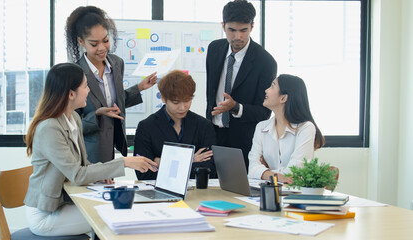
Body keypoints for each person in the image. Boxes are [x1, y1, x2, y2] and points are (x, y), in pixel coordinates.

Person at [24, 63, 157, 237]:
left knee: (117, 208)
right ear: (71, 94)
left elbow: (84, 164)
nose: (88, 91)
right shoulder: (49, 128)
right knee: (112, 216)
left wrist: (101, 175)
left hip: (63, 205)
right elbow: (78, 174)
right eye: (85, 86)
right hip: (45, 214)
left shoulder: (74, 119)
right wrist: (124, 162)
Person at [65, 6, 157, 163]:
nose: (102, 48)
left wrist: (140, 87)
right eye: (94, 44)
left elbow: (116, 103)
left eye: (106, 40)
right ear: (81, 42)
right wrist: (97, 114)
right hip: (87, 150)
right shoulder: (74, 72)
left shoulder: (116, 63)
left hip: (112, 145)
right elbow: (70, 122)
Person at [206, 0, 277, 171]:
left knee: (238, 192)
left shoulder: (265, 62)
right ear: (223, 26)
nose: (237, 36)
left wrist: (235, 107)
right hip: (212, 134)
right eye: (232, 30)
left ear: (252, 26)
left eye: (243, 30)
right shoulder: (214, 49)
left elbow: (264, 112)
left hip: (244, 141)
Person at [134, 70, 217, 180]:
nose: (182, 108)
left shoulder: (204, 125)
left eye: (187, 100)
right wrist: (190, 161)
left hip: (197, 192)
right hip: (159, 193)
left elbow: (209, 170)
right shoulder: (146, 127)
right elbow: (144, 173)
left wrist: (162, 163)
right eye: (176, 102)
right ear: (163, 98)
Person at [247, 74, 325, 183]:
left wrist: (265, 172)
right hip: (269, 190)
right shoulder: (261, 127)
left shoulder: (306, 128)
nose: (266, 90)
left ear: (283, 98)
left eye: (272, 86)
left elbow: (294, 173)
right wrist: (279, 177)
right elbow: (252, 169)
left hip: (295, 193)